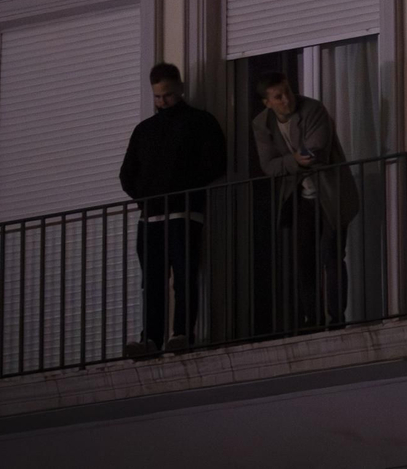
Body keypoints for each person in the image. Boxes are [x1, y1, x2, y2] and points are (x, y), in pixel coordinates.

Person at [118, 63, 228, 358]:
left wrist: (177, 190)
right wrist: (147, 200)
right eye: (157, 97)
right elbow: (126, 174)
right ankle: (151, 338)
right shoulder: (145, 130)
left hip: (183, 213)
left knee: (184, 276)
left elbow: (216, 164)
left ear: (179, 89)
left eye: (166, 95)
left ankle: (182, 334)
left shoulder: (201, 122)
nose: (162, 102)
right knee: (152, 281)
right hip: (153, 216)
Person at [251, 73, 358, 329]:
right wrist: (294, 161)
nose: (287, 99)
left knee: (332, 256)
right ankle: (312, 319)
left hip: (330, 193)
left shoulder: (313, 108)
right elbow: (268, 165)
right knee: (304, 260)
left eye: (287, 91)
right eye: (278, 96)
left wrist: (291, 162)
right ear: (267, 102)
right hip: (300, 196)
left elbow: (315, 150)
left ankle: (337, 319)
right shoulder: (261, 124)